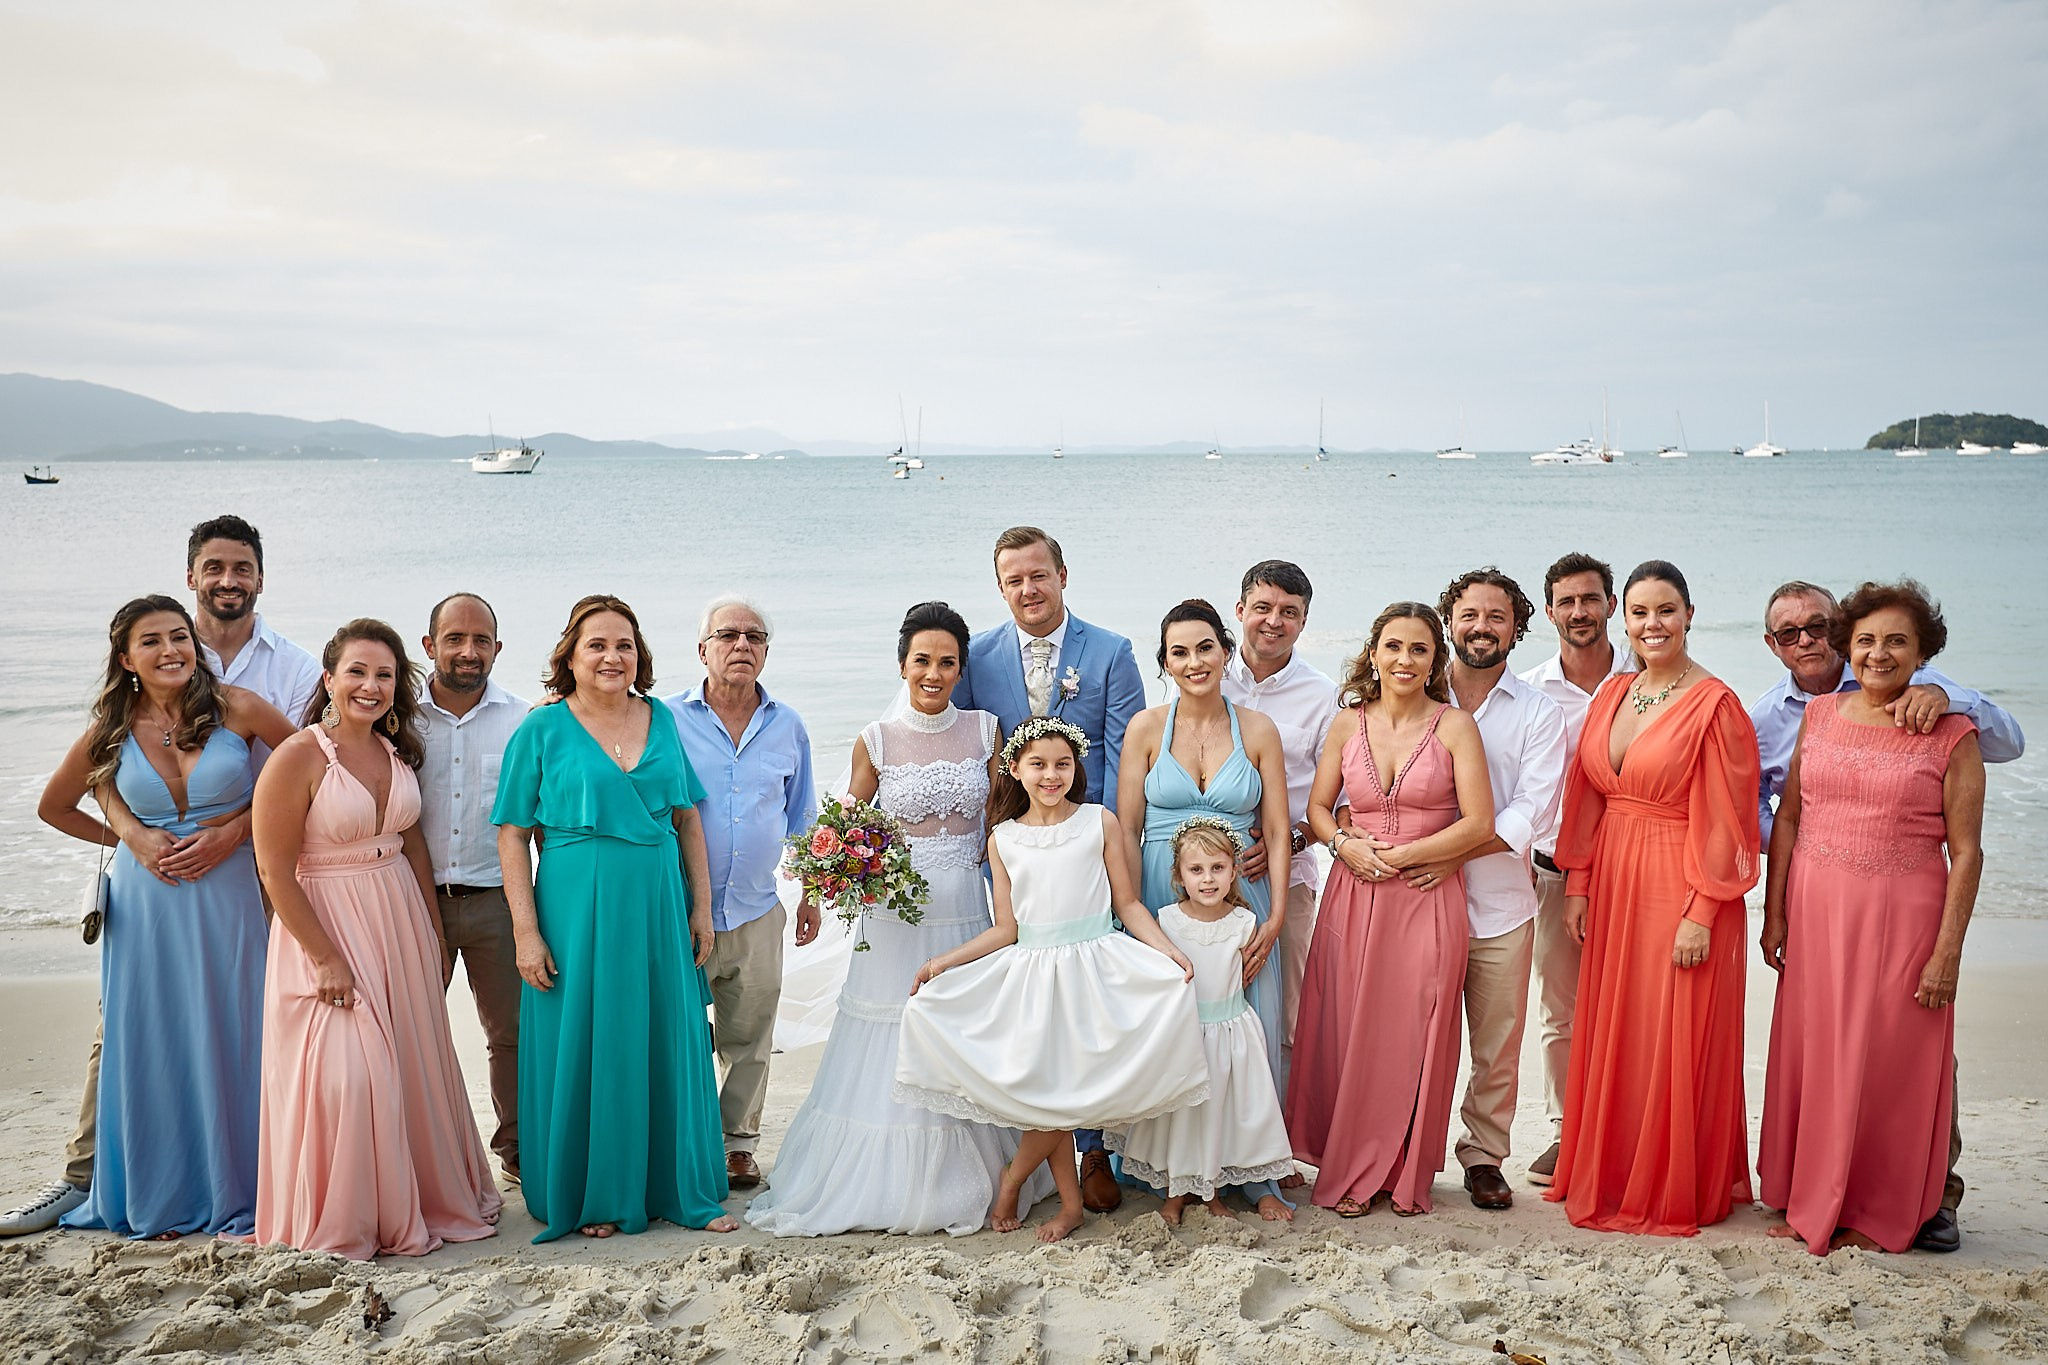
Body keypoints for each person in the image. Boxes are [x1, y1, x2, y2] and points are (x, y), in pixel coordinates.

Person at [4, 514, 322, 1239]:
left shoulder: (246, 700)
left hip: (233, 893)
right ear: (125, 658)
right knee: (143, 1036)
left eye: (178, 637)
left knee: (236, 1028)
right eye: (153, 640)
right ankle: (131, 1181)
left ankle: (248, 1180)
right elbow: (55, 805)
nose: (172, 648)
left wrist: (239, 829)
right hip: (146, 905)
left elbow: (313, 765)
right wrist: (129, 837)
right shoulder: (109, 729)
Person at [747, 603, 1051, 1236]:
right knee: (889, 1029)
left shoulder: (987, 730)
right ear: (902, 665)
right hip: (895, 911)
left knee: (967, 1028)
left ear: (961, 668)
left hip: (969, 905)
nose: (934, 673)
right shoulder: (876, 739)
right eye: (922, 661)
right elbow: (844, 825)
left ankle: (983, 1169)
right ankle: (881, 1179)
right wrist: (812, 890)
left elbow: (1006, 818)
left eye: (947, 662)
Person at [1750, 578, 2022, 1252]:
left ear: (1923, 651)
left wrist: (1949, 950)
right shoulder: (1815, 717)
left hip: (1905, 913)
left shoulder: (1952, 729)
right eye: (1866, 640)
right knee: (1821, 1049)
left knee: (1897, 1057)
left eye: (1896, 640)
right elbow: (1786, 818)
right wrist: (1774, 911)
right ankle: (1811, 1186)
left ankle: (1908, 1200)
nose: (1878, 652)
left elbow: (1967, 852)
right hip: (1817, 910)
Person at [894, 718, 1206, 1244]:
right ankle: (1068, 1205)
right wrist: (942, 963)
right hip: (1034, 975)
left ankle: (1015, 1177)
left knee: (1067, 1094)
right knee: (1050, 1094)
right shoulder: (1003, 839)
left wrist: (1170, 952)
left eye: (1063, 763)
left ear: (1075, 768)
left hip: (1093, 968)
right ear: (1014, 769)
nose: (1051, 774)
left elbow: (1126, 903)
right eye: (1038, 764)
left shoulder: (1097, 822)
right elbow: (1005, 928)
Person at [248, 619, 503, 1259]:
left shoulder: (396, 751)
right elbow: (274, 870)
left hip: (400, 921)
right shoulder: (298, 756)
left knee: (413, 1067)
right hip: (327, 924)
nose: (370, 685)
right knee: (349, 1074)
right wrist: (325, 957)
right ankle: (350, 1216)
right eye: (357, 672)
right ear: (328, 680)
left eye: (384, 675)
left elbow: (411, 843)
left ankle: (418, 1196)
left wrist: (430, 929)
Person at [493, 595, 736, 1240]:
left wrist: (703, 908)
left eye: (624, 645)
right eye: (597, 645)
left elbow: (688, 820)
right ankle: (596, 1192)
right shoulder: (539, 731)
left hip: (657, 902)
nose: (612, 656)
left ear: (640, 656)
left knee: (663, 1032)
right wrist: (525, 930)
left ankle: (669, 1188)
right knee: (589, 1036)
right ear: (569, 656)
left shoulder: (661, 720)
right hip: (573, 907)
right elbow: (513, 834)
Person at [1546, 561, 1760, 1236]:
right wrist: (1578, 883)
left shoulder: (1717, 703)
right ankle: (1610, 1170)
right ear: (1623, 619)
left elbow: (1732, 822)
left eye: (1665, 610)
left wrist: (1703, 908)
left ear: (1690, 614)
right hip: (1614, 876)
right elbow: (1585, 796)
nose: (1651, 624)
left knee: (1670, 1029)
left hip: (1681, 879)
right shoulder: (1613, 694)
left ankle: (1670, 1182)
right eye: (1639, 613)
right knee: (1617, 1025)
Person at [953, 525, 1146, 1212]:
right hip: (1016, 854)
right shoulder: (977, 656)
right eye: (1014, 579)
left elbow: (1125, 758)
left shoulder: (1112, 652)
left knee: (1088, 1007)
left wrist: (1112, 848)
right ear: (1001, 586)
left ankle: (1095, 1148)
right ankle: (1038, 1150)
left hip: (1087, 854)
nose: (1028, 589)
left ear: (1063, 574)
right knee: (1035, 1010)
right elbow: (969, 749)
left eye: (1039, 574)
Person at [1288, 603, 1495, 1217]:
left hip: (1426, 894)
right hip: (1353, 892)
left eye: (1420, 650)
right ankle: (1350, 1162)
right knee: (1350, 1029)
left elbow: (1479, 822)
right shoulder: (1347, 723)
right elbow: (1319, 810)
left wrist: (1404, 858)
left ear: (1435, 660)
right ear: (1373, 653)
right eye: (1394, 647)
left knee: (1411, 1030)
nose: (1405, 660)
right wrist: (1345, 844)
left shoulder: (1455, 725)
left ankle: (1400, 1171)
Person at [667, 595, 819, 1192]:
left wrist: (809, 896)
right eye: (728, 635)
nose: (742, 646)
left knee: (749, 1034)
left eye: (755, 637)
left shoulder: (789, 725)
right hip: (679, 909)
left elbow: (803, 817)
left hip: (758, 908)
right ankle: (682, 1134)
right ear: (702, 649)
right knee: (678, 1028)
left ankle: (738, 1146)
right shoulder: (665, 719)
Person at [1436, 569, 1567, 1211]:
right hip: (1416, 902)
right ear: (1448, 620)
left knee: (1496, 1044)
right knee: (1416, 1036)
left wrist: (1439, 855)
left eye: (1496, 616)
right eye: (1469, 614)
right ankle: (1407, 1151)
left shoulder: (1539, 712)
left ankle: (1484, 1156)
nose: (1481, 627)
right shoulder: (1415, 695)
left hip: (1502, 906)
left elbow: (1528, 817)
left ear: (1517, 628)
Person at [1120, 599, 1292, 1084]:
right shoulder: (1145, 728)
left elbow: (1277, 830)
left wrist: (1275, 916)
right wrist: (1130, 912)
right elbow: (1128, 829)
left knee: (1242, 1019)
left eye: (1205, 648)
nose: (1194, 662)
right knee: (1168, 1021)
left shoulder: (1259, 730)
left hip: (1241, 895)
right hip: (1158, 890)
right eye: (1180, 653)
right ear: (1166, 663)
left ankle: (1246, 1149)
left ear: (1224, 652)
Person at [1106, 818, 1295, 1225]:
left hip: (1230, 1033)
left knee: (1219, 1114)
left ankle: (1213, 1194)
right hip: (1188, 1034)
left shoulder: (1245, 924)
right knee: (1183, 1117)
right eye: (1196, 870)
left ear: (1233, 871)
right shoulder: (1168, 920)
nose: (1207, 879)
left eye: (1217, 868)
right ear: (1179, 875)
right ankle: (1177, 1193)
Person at [1515, 551, 1634, 1187]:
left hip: (1638, 871)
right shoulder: (1531, 691)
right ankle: (1568, 1131)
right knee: (1560, 1005)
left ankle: (1627, 1128)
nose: (1580, 611)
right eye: (1567, 601)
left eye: (1591, 599)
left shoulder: (1652, 679)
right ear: (1551, 611)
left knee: (1634, 1003)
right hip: (1555, 871)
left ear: (1611, 606)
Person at [415, 592, 530, 1185]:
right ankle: (417, 1152)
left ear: (497, 649)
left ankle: (516, 1150)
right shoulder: (396, 715)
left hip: (497, 903)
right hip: (412, 904)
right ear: (429, 646)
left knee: (511, 1035)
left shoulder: (523, 720)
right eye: (454, 639)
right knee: (408, 1029)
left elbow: (538, 820)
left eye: (480, 640)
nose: (468, 651)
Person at [1221, 560, 1338, 1076]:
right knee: (1213, 1005)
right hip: (1199, 877)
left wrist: (1287, 841)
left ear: (1304, 622)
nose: (1274, 621)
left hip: (1287, 879)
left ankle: (1284, 1143)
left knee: (1290, 1010)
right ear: (1240, 609)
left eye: (1289, 613)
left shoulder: (1324, 696)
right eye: (1263, 608)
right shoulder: (1207, 675)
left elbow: (1339, 803)